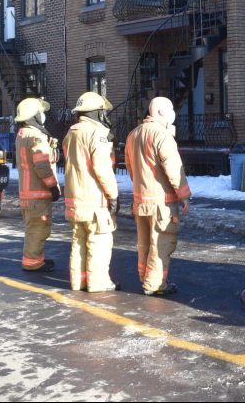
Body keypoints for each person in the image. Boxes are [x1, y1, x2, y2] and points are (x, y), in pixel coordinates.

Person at [124, 96, 191, 296]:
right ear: (161, 112)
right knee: (161, 243)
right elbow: (173, 169)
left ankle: (145, 277)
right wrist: (184, 195)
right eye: (171, 109)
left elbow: (130, 167)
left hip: (140, 200)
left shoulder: (133, 134)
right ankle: (154, 284)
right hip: (161, 203)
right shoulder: (162, 136)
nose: (173, 113)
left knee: (144, 243)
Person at [63, 92, 120, 292]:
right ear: (97, 112)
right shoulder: (97, 133)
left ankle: (78, 282)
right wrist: (113, 195)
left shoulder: (71, 133)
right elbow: (102, 168)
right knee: (99, 242)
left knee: (78, 242)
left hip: (75, 201)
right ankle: (98, 283)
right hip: (95, 201)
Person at [14, 97, 61, 272]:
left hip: (27, 194)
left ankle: (35, 258)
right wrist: (53, 186)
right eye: (41, 113)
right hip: (38, 194)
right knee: (38, 228)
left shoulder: (22, 134)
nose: (43, 116)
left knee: (32, 228)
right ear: (34, 115)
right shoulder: (36, 135)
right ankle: (33, 262)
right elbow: (41, 164)